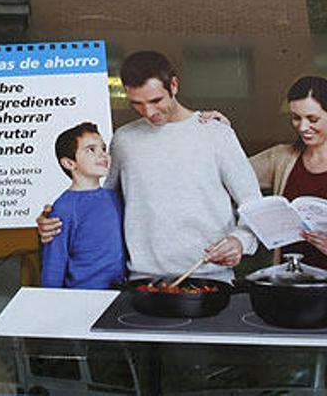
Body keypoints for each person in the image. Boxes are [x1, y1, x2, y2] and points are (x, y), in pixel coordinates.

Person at [37, 51, 261, 283]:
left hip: (211, 278)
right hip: (141, 283)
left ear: (174, 85)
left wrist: (240, 242)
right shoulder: (124, 140)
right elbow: (103, 205)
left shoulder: (216, 134)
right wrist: (54, 223)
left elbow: (254, 204)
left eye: (156, 101)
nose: (149, 112)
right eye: (137, 104)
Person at [249, 76, 327, 268]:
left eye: (313, 119)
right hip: (289, 283)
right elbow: (231, 172)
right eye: (296, 117)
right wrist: (218, 129)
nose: (303, 127)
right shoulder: (281, 157)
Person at [40, 122, 125, 289]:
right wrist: (49, 302)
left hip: (119, 292)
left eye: (103, 149)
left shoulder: (114, 197)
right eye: (91, 150)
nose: (102, 155)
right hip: (83, 296)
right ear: (69, 163)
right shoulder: (63, 207)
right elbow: (54, 264)